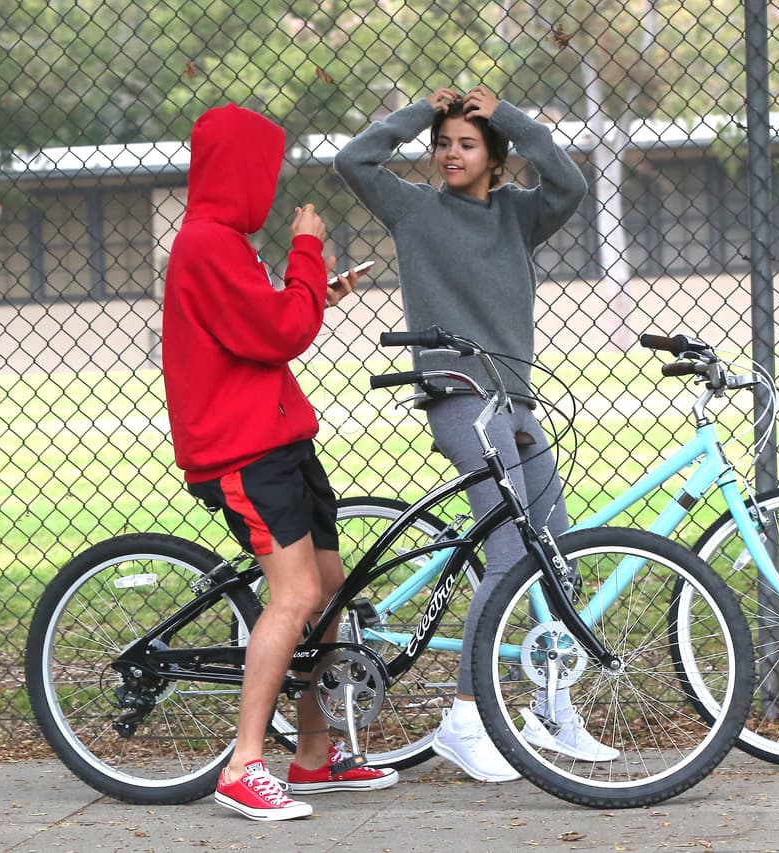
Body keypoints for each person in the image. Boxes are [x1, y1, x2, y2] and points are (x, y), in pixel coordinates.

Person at [334, 85, 619, 782]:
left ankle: (551, 707)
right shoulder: (414, 209)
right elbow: (353, 160)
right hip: (461, 398)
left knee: (558, 554)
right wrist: (418, 116)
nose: (449, 154)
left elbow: (570, 183)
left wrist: (511, 116)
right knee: (510, 551)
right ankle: (465, 716)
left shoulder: (519, 214)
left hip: (516, 401)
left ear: (495, 156)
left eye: (466, 143)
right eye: (442, 144)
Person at [162, 103, 396, 821]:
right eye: (265, 173)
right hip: (243, 451)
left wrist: (316, 290)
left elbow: (265, 325)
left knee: (327, 589)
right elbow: (281, 333)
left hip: (279, 439)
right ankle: (243, 765)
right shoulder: (207, 244)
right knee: (293, 595)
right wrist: (306, 252)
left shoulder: (227, 244)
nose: (271, 189)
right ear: (238, 172)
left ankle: (314, 755)